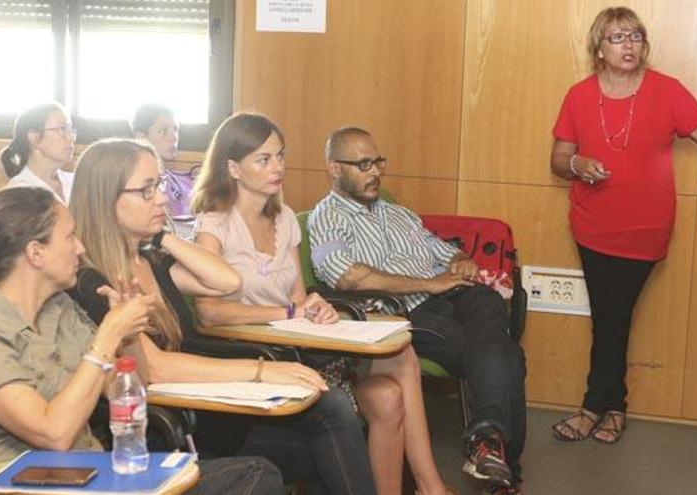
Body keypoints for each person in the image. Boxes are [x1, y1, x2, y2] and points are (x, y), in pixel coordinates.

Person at [0, 187, 281, 494]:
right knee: (252, 478)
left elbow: (127, 385)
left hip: (91, 475)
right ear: (35, 253)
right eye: (70, 236)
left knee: (255, 473)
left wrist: (129, 334)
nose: (80, 248)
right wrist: (107, 338)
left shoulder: (56, 307)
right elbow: (53, 434)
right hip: (22, 485)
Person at [67, 137, 377, 495]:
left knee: (329, 422)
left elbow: (226, 279)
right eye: (147, 190)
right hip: (156, 432)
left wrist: (163, 236)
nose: (163, 198)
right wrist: (262, 372)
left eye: (161, 186)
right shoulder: (94, 281)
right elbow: (155, 367)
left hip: (201, 407)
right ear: (106, 199)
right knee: (320, 431)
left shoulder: (150, 257)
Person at [192, 112, 457, 495]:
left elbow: (299, 298)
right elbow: (209, 313)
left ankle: (424, 488)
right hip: (257, 354)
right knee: (396, 374)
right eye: (263, 160)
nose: (277, 167)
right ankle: (431, 487)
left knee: (390, 389)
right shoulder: (214, 224)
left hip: (299, 344)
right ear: (233, 167)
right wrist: (286, 313)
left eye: (280, 156)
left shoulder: (284, 218)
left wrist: (316, 307)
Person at [548, 6, 697, 445]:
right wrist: (578, 164)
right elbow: (558, 161)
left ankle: (591, 408)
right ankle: (613, 408)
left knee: (613, 317)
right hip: (591, 225)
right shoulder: (579, 96)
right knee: (609, 319)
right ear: (599, 48)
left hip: (644, 230)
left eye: (635, 36)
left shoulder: (667, 90)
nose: (629, 45)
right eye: (617, 37)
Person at [308, 126, 527, 493]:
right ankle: (498, 462)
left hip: (450, 298)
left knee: (488, 302)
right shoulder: (328, 217)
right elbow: (346, 277)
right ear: (334, 168)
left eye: (378, 161)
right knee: (507, 357)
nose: (375, 171)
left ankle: (488, 441)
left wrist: (460, 260)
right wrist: (429, 284)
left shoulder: (397, 213)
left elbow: (439, 250)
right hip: (406, 313)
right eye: (363, 164)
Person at [131, 103, 198, 239]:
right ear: (141, 138)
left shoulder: (186, 180)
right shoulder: (134, 186)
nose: (174, 137)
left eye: (175, 129)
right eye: (163, 131)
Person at [1, 102, 76, 203]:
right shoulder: (19, 191)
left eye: (70, 129)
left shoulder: (75, 181)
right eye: (62, 129)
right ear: (34, 137)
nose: (71, 138)